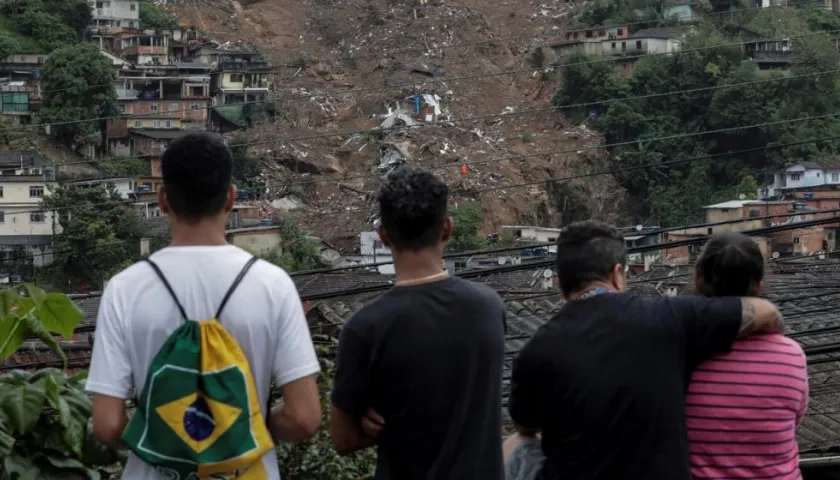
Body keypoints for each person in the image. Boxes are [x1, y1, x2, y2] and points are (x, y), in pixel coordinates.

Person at [86, 132, 322, 479]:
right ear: (230, 197)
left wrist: (171, 433)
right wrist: (231, 427)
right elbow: (304, 416)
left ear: (163, 198)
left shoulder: (125, 289)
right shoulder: (273, 286)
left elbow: (107, 425)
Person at [504, 220, 786, 480]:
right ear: (617, 274)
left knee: (513, 445)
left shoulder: (535, 351)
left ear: (560, 285)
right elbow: (763, 311)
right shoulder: (668, 316)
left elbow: (525, 427)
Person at [329, 166, 507, 479]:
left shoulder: (364, 328)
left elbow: (342, 439)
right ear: (447, 229)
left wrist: (375, 427)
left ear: (383, 235)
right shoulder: (489, 307)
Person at [688, 232, 807, 479]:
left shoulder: (680, 352)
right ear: (760, 286)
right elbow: (792, 423)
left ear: (698, 279)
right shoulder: (792, 356)